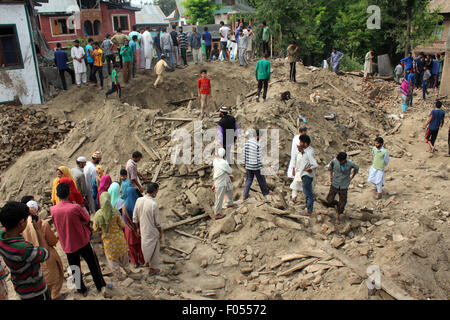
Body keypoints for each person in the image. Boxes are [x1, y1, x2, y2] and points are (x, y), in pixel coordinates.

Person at [51, 183, 106, 296]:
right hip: (81, 240)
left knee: (74, 267)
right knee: (93, 264)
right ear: (69, 193)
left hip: (67, 243)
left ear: (57, 195)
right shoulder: (75, 207)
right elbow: (86, 219)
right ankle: (100, 285)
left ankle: (81, 289)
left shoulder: (53, 210)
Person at [0, 202, 50, 300]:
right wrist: (38, 230)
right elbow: (45, 254)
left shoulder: (2, 239)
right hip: (36, 292)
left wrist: (26, 210)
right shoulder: (24, 249)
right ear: (21, 223)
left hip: (22, 291)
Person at [23, 201, 65, 300]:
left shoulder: (22, 228)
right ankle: (55, 296)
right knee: (54, 280)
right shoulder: (43, 224)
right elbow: (52, 241)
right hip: (48, 257)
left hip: (34, 261)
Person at [94, 193, 138, 281]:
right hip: (119, 239)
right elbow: (122, 224)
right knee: (124, 257)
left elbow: (95, 229)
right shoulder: (115, 212)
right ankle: (128, 271)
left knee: (113, 261)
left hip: (108, 242)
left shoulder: (98, 215)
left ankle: (119, 276)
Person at [133, 183, 162, 276]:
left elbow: (135, 217)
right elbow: (158, 223)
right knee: (154, 249)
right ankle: (153, 269)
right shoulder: (153, 204)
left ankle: (147, 262)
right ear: (154, 191)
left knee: (146, 246)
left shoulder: (139, 200)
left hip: (143, 229)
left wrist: (137, 228)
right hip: (152, 230)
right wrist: (160, 232)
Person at [320, 152, 359, 222]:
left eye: (341, 161)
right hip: (335, 183)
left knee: (343, 202)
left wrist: (352, 177)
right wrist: (331, 176)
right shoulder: (334, 161)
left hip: (344, 185)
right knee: (329, 199)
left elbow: (356, 168)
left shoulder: (350, 164)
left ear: (345, 160)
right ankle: (336, 204)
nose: (339, 162)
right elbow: (330, 167)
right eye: (339, 161)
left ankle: (339, 213)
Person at [242, 129, 272, 201]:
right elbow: (259, 157)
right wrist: (261, 167)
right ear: (257, 136)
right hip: (256, 166)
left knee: (249, 180)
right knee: (261, 179)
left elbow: (244, 155)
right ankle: (265, 193)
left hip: (248, 166)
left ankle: (244, 195)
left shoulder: (247, 143)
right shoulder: (257, 144)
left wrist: (244, 163)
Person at [122, 186, 145, 268]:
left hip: (130, 229)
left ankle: (135, 262)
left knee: (131, 247)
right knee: (140, 245)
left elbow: (124, 219)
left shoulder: (124, 205)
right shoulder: (139, 203)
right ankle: (142, 261)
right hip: (140, 228)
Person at [296, 134, 318, 216]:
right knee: (307, 192)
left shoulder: (309, 152)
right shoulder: (307, 150)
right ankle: (307, 206)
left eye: (301, 142)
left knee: (309, 194)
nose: (299, 143)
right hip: (305, 175)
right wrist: (301, 151)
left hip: (307, 176)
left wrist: (310, 168)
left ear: (305, 143)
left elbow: (315, 164)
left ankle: (309, 211)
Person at [212, 148, 234, 220]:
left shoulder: (215, 160)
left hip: (224, 178)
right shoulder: (223, 162)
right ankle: (217, 213)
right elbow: (230, 170)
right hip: (220, 181)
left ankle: (229, 203)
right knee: (219, 198)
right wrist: (227, 163)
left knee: (230, 189)